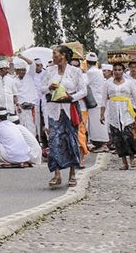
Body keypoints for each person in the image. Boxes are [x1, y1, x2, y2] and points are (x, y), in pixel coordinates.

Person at [44, 44, 87, 188]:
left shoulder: (75, 71)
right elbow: (41, 89)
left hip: (70, 109)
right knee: (54, 141)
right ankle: (56, 175)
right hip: (54, 110)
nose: (53, 57)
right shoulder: (49, 71)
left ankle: (72, 173)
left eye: (55, 54)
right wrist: (49, 88)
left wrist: (71, 97)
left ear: (63, 56)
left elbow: (83, 91)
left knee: (71, 140)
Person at [101, 62, 136, 170]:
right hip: (113, 112)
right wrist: (102, 114)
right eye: (115, 70)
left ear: (123, 71)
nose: (117, 72)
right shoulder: (108, 84)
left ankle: (132, 157)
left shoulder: (129, 83)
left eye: (119, 70)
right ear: (112, 71)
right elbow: (103, 99)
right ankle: (124, 162)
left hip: (126, 111)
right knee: (117, 137)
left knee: (128, 135)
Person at [85, 53, 109, 151]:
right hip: (99, 99)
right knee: (98, 122)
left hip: (94, 101)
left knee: (96, 123)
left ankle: (103, 145)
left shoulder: (90, 72)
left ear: (87, 62)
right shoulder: (99, 71)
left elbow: (85, 83)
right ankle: (99, 144)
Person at [11, 58, 39, 137]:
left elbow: (32, 64)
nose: (22, 72)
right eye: (20, 70)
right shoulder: (13, 81)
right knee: (22, 126)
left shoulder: (30, 75)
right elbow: (14, 95)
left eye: (23, 70)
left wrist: (22, 57)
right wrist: (17, 105)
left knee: (32, 126)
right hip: (21, 108)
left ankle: (34, 141)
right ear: (16, 71)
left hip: (32, 106)